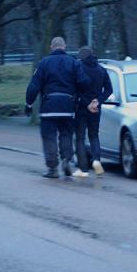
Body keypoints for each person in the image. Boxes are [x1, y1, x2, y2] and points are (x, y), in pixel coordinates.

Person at [26, 37, 90, 178]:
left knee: (49, 136)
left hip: (49, 106)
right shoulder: (74, 63)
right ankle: (66, 159)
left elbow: (34, 86)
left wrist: (29, 104)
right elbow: (84, 82)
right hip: (68, 106)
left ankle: (52, 168)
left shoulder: (44, 63)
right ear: (64, 47)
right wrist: (78, 98)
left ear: (51, 47)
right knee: (66, 134)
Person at [74, 46, 113, 176]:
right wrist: (97, 101)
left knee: (80, 137)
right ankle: (97, 161)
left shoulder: (79, 68)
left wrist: (84, 102)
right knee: (94, 135)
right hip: (96, 108)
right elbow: (109, 89)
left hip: (81, 107)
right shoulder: (102, 70)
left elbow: (77, 88)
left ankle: (82, 168)